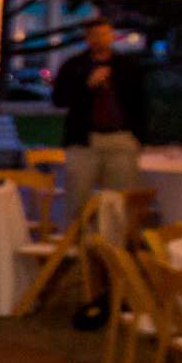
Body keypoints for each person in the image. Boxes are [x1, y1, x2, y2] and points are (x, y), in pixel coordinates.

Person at [53, 16, 149, 226]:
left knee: (118, 200)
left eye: (104, 34)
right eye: (94, 35)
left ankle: (113, 249)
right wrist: (87, 85)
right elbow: (59, 99)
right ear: (88, 38)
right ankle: (77, 247)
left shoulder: (126, 66)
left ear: (111, 36)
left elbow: (141, 102)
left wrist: (138, 136)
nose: (99, 39)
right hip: (84, 141)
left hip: (121, 138)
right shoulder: (75, 66)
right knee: (78, 198)